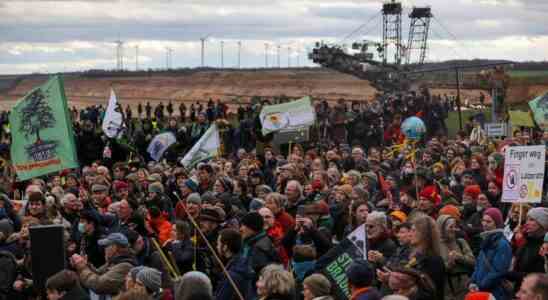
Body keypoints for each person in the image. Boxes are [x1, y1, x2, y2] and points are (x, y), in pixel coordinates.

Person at [71, 232, 137, 298]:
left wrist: (83, 268)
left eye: (106, 246)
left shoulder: (125, 266)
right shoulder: (114, 262)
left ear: (114, 248)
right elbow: (98, 273)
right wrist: (86, 265)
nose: (104, 249)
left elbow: (98, 285)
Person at [469, 208, 512, 300]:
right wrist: (473, 282)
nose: (484, 224)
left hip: (494, 293)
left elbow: (498, 271)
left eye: (489, 222)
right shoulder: (486, 240)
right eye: (483, 220)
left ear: (496, 223)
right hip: (481, 291)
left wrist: (480, 286)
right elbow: (478, 265)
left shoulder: (502, 244)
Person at [436, 214, 475, 299]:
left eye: (455, 226)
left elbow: (473, 262)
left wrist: (459, 257)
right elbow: (434, 270)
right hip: (446, 290)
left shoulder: (461, 242)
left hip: (464, 287)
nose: (454, 230)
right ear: (441, 228)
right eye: (450, 227)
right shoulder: (435, 247)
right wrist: (448, 264)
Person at [215, 228, 253, 300]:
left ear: (225, 247)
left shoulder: (233, 274)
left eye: (218, 244)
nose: (217, 247)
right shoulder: (242, 263)